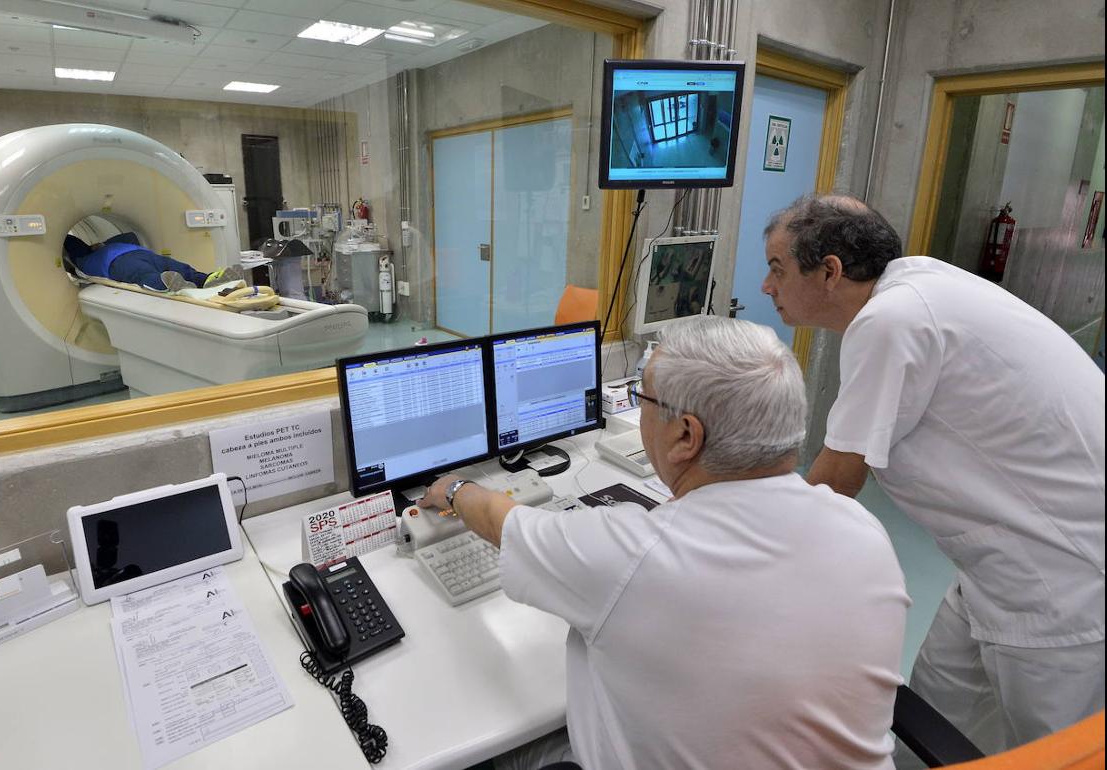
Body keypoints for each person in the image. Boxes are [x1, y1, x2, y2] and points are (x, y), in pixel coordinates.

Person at [421, 315, 910, 770]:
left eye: (642, 399)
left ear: (686, 436)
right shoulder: (863, 530)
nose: (637, 409)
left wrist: (455, 488)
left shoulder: (631, 554)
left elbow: (498, 521)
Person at [760, 194, 1105, 753]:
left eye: (777, 269)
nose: (765, 287)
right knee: (939, 711)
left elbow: (838, 479)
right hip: (993, 564)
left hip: (1063, 578)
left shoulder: (890, 321)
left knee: (1055, 751)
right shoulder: (920, 285)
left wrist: (735, 544)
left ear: (829, 271)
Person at [62, 233, 239, 292]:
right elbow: (132, 234)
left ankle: (166, 282)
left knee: (148, 274)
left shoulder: (85, 259)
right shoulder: (113, 245)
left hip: (125, 260)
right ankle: (207, 279)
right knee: (177, 268)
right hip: (136, 255)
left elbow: (69, 242)